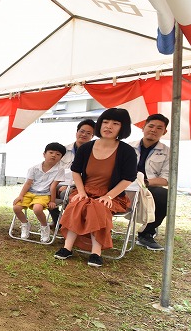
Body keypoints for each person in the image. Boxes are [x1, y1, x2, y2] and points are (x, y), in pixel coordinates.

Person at [54, 108, 137, 267]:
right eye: (105, 122)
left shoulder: (126, 151)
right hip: (84, 190)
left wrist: (109, 196)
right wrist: (81, 192)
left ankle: (96, 252)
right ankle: (67, 247)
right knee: (77, 204)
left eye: (115, 123)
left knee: (98, 207)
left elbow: (128, 178)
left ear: (123, 127)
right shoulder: (86, 148)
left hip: (112, 195)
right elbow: (75, 171)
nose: (109, 126)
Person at [128, 113, 170, 251]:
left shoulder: (168, 152)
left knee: (164, 196)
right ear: (143, 127)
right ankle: (100, 228)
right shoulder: (127, 147)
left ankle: (146, 234)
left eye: (159, 128)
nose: (153, 130)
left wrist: (144, 182)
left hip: (147, 187)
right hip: (124, 186)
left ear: (164, 132)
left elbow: (167, 179)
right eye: (150, 126)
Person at [13, 142, 66, 242]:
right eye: (51, 152)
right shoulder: (34, 168)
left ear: (61, 158)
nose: (54, 155)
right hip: (30, 192)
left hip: (45, 194)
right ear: (44, 154)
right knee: (16, 207)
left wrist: (52, 201)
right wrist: (21, 195)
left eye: (58, 154)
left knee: (37, 209)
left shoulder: (60, 170)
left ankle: (44, 227)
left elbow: (53, 186)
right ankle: (25, 224)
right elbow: (28, 183)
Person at [48, 119, 96, 225]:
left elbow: (89, 175)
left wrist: (69, 185)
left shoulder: (94, 153)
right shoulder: (63, 150)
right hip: (59, 181)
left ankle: (71, 223)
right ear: (77, 132)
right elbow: (53, 168)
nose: (84, 135)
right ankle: (57, 221)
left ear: (92, 136)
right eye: (82, 131)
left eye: (88, 133)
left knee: (66, 194)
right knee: (45, 189)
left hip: (79, 185)